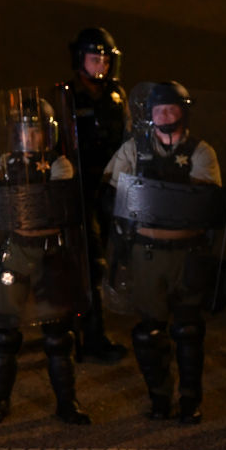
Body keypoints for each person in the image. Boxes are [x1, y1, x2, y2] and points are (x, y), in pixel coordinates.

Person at [103, 81, 222, 424]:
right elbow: (111, 189)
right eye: (159, 110)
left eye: (171, 108)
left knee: (188, 330)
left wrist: (150, 193)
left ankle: (190, 400)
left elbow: (203, 202)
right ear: (149, 114)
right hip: (147, 251)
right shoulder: (134, 149)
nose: (165, 115)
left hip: (187, 252)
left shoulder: (201, 151)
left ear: (183, 111)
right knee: (148, 331)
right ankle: (159, 398)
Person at [0, 97, 91, 425]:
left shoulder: (59, 163)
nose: (31, 136)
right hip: (15, 248)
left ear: (48, 134)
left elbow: (58, 203)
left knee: (58, 334)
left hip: (49, 249)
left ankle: (68, 402)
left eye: (37, 130)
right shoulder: (4, 162)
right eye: (25, 130)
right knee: (4, 331)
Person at [65, 27, 131, 363]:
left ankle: (89, 332)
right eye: (95, 58)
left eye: (106, 58)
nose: (101, 64)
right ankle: (90, 337)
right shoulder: (67, 96)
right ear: (81, 60)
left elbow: (130, 139)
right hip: (79, 191)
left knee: (109, 260)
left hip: (112, 189)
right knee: (89, 265)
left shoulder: (117, 96)